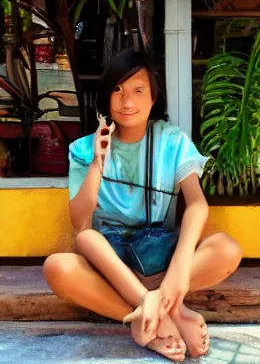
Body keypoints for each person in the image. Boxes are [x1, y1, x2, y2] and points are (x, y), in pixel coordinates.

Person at [43, 49, 242, 361]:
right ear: (106, 98)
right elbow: (80, 223)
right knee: (64, 261)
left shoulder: (171, 141)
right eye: (118, 90)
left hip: (160, 260)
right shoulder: (83, 149)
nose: (127, 102)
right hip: (112, 266)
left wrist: (178, 273)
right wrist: (98, 162)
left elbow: (197, 205)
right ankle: (159, 316)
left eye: (138, 91)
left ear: (153, 98)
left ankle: (152, 309)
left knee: (227, 249)